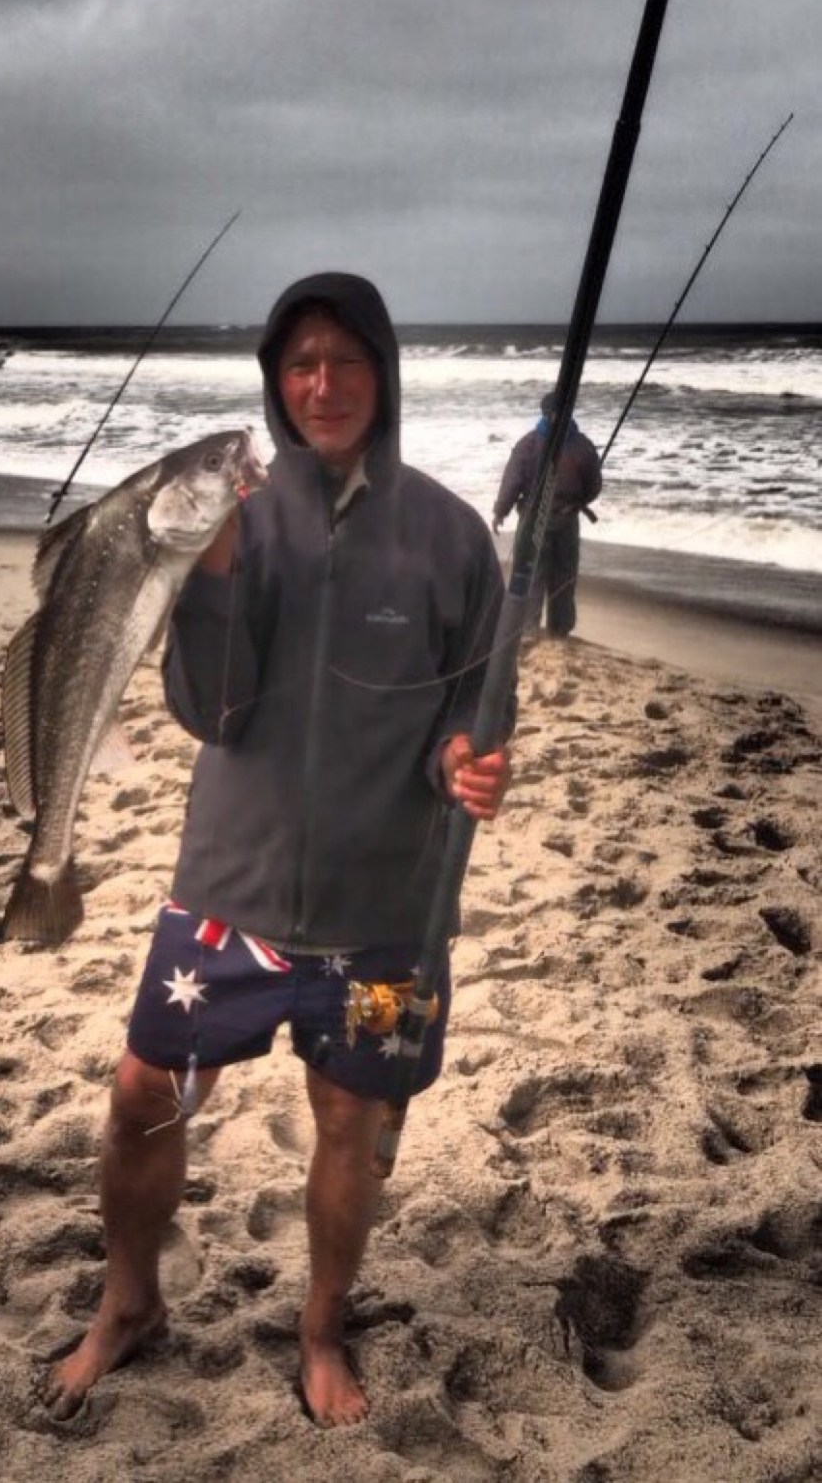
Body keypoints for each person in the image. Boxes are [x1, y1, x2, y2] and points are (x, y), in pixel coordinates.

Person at [47, 273, 512, 1427]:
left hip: (386, 896)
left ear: (384, 373)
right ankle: (129, 1302)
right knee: (140, 1093)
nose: (322, 385)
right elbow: (211, 711)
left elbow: (477, 709)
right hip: (230, 883)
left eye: (346, 361)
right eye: (300, 364)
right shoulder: (233, 516)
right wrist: (211, 580)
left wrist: (464, 759)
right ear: (274, 379)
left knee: (348, 1122)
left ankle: (320, 1329)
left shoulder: (453, 536)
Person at [492, 392, 602, 638]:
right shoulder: (580, 445)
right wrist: (501, 509)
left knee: (547, 574)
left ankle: (543, 629)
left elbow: (512, 482)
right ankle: (548, 629)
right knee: (545, 573)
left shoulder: (530, 444)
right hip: (551, 517)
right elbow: (593, 486)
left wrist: (501, 511)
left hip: (549, 518)